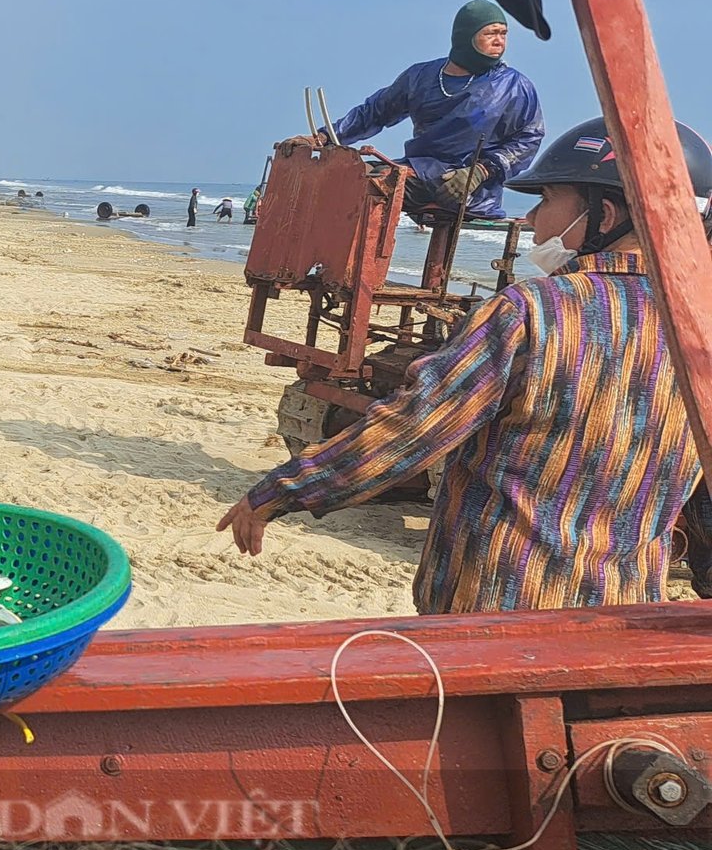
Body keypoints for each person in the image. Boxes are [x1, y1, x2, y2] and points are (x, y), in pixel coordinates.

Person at [218, 118, 711, 614]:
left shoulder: (532, 312)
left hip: (497, 610)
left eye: (547, 199)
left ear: (604, 214)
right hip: (621, 618)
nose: (532, 219)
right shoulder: (703, 325)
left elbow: (415, 428)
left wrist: (283, 489)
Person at [312, 0, 544, 219]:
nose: (499, 41)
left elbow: (528, 138)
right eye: (490, 33)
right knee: (341, 178)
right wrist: (324, 137)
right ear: (466, 36)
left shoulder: (513, 85)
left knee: (370, 183)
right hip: (418, 170)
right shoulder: (421, 76)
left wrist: (481, 171)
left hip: (466, 184)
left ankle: (362, 259)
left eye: (503, 34)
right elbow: (375, 111)